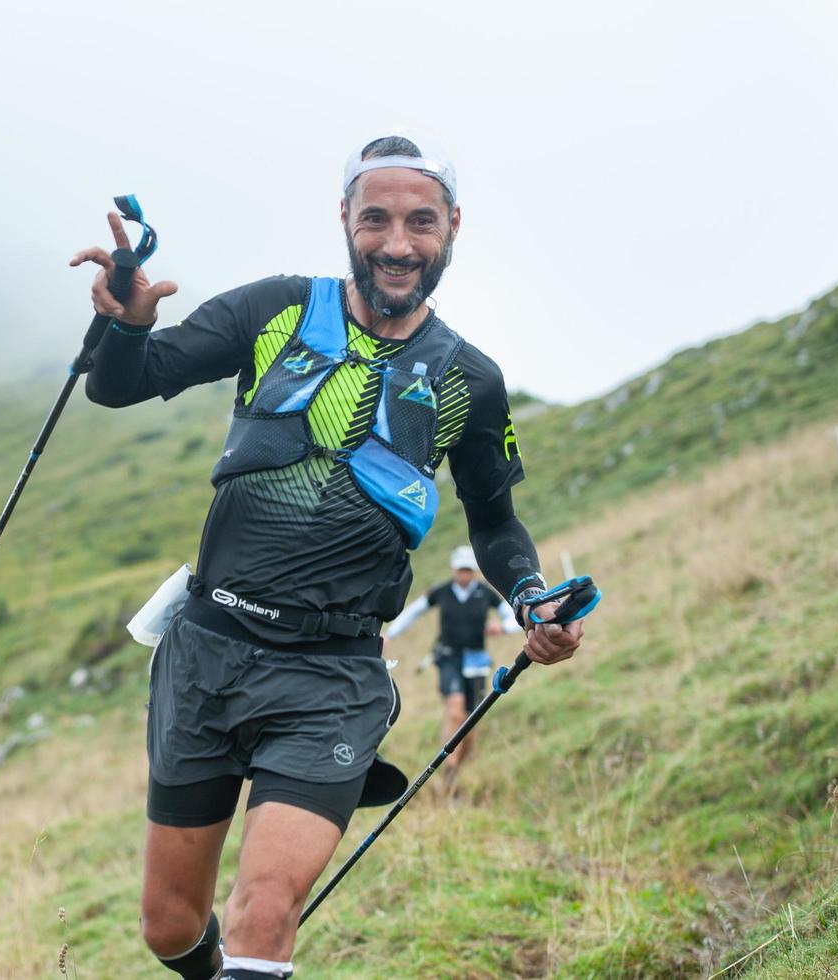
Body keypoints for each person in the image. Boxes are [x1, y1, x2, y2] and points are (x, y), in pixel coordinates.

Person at [73, 132, 585, 980]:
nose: (396, 242)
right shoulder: (271, 308)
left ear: (452, 225)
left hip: (331, 678)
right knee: (169, 928)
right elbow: (120, 383)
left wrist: (531, 597)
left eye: (420, 221)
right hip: (208, 652)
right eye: (374, 218)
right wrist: (121, 330)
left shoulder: (469, 377)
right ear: (343, 219)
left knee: (263, 913)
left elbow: (493, 522)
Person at [385, 545, 521, 786]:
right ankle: (448, 768)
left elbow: (511, 616)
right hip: (448, 657)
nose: (464, 575)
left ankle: (457, 767)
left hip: (476, 661)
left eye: (469, 570)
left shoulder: (485, 594)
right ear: (453, 570)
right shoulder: (442, 592)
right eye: (461, 570)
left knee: (471, 720)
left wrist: (502, 627)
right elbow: (414, 611)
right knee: (455, 709)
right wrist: (391, 634)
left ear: (475, 571)